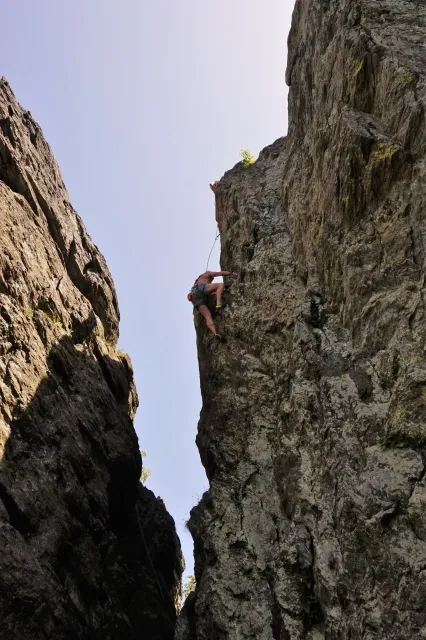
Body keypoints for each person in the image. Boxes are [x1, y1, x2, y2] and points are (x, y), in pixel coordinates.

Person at [189, 270, 232, 337]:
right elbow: (221, 273)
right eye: (212, 279)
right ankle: (218, 304)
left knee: (207, 316)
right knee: (220, 285)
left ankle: (215, 333)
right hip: (200, 289)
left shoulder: (198, 280)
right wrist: (231, 273)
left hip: (194, 298)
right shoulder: (208, 273)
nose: (212, 280)